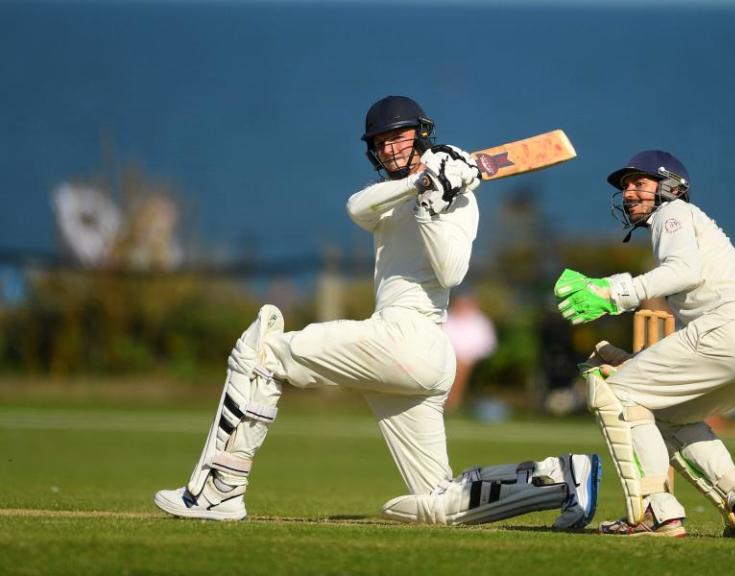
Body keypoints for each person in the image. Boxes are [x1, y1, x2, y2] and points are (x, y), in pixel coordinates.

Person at [154, 95, 600, 529]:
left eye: (399, 137)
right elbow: (355, 208)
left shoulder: (461, 200)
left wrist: (433, 203)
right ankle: (561, 479)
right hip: (406, 352)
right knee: (438, 500)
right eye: (380, 142)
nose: (389, 148)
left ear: (421, 135)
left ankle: (217, 491)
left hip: (411, 338)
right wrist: (420, 184)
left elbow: (450, 272)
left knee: (261, 355)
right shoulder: (389, 194)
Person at [553, 150, 735, 538]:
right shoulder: (693, 228)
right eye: (625, 186)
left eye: (639, 183)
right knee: (666, 413)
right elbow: (695, 335)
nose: (629, 193)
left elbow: (682, 271)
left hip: (732, 329)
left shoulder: (672, 212)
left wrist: (614, 292)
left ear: (670, 188)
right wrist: (636, 360)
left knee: (616, 395)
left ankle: (654, 512)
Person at [441, 294, 497, 411]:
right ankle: (450, 400)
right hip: (447, 357)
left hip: (470, 359)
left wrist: (468, 355)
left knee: (461, 366)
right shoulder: (447, 318)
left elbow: (487, 345)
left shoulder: (480, 321)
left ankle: (451, 400)